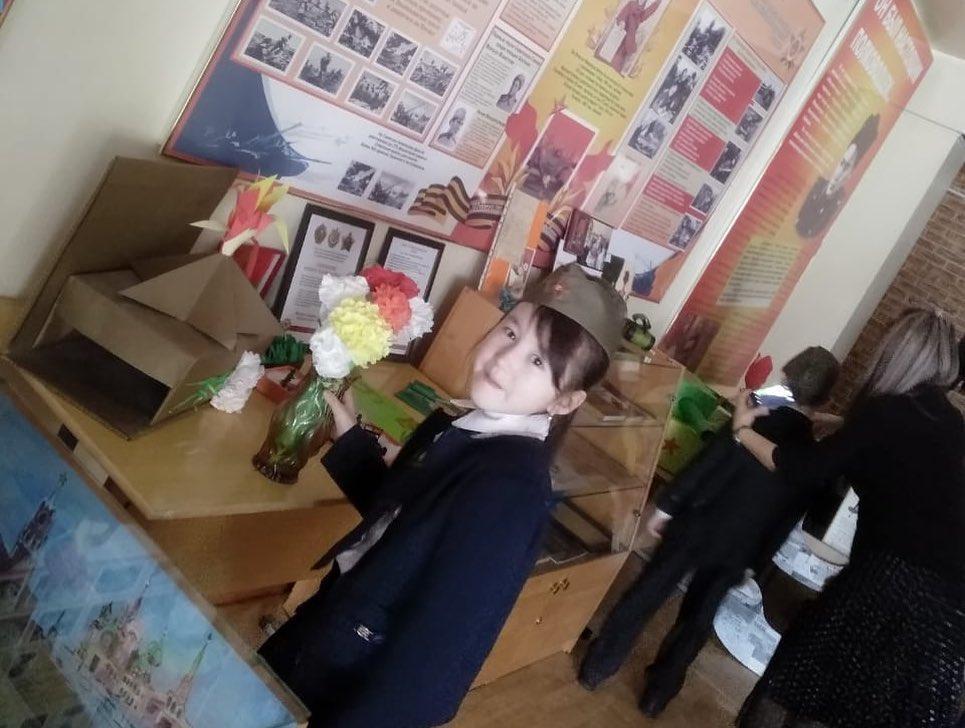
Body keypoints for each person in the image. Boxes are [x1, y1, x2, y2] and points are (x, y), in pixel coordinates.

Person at [258, 265, 626, 727]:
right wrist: (352, 443)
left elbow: (431, 674)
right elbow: (407, 527)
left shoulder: (510, 494)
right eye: (511, 332)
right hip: (328, 632)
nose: (504, 360)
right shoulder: (469, 427)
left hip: (351, 685)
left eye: (538, 361)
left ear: (565, 400)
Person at [731, 308, 964, 728]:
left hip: (889, 582)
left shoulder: (885, 410)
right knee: (868, 705)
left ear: (896, 353)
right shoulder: (951, 421)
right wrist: (840, 427)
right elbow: (903, 445)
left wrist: (742, 430)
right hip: (951, 606)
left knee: (809, 682)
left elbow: (801, 469)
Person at [578, 347, 841, 718]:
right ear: (826, 400)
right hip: (742, 546)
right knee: (698, 619)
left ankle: (598, 666)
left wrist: (668, 504)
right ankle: (658, 694)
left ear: (785, 375)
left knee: (648, 591)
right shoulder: (809, 457)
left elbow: (708, 463)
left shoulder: (752, 414)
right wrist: (757, 562)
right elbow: (786, 519)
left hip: (699, 520)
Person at [795, 114, 879, 238]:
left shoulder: (809, 215)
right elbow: (823, 217)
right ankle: (868, 130)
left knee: (851, 153)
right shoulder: (810, 221)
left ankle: (868, 129)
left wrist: (821, 188)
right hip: (826, 197)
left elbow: (816, 209)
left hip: (827, 193)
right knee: (852, 155)